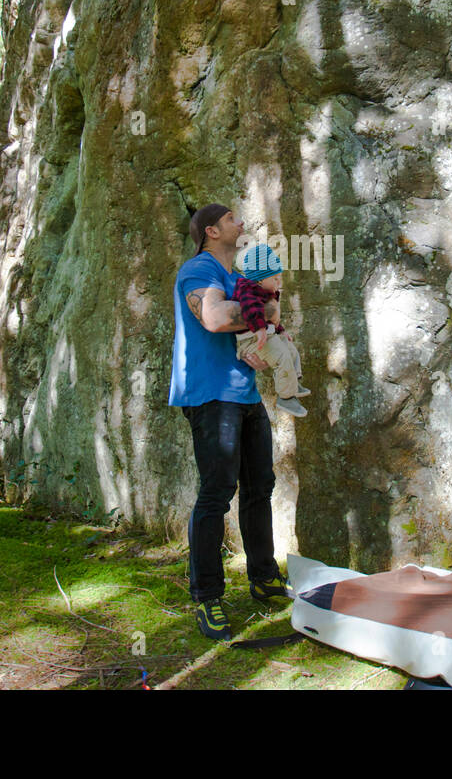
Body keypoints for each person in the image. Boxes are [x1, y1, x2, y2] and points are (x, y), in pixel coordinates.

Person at [168, 203, 292, 641]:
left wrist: (271, 332)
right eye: (234, 219)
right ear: (212, 230)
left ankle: (263, 578)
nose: (242, 223)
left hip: (245, 395)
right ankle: (207, 597)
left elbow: (252, 326)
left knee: (259, 489)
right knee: (217, 493)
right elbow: (216, 317)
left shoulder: (238, 276)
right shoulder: (198, 270)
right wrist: (269, 313)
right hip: (210, 396)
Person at [233, 243, 311, 417]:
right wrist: (259, 328)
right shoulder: (248, 290)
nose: (279, 282)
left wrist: (280, 330)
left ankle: (293, 383)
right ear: (260, 279)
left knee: (290, 349)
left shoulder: (265, 292)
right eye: (275, 278)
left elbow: (271, 321)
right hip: (251, 340)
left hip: (263, 335)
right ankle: (286, 396)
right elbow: (251, 309)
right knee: (282, 355)